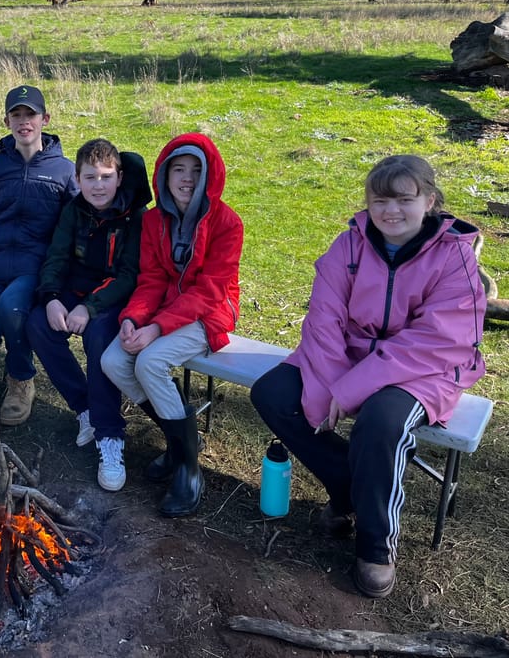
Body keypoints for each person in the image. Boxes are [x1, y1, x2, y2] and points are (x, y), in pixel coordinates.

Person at [250, 154, 486, 599]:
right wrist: (328, 387)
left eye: (404, 199)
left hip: (425, 369)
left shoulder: (454, 257)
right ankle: (346, 484)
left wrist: (351, 388)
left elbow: (436, 341)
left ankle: (376, 545)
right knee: (274, 393)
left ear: (429, 201)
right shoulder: (350, 245)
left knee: (382, 422)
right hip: (351, 355)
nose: (390, 211)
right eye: (380, 200)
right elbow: (323, 319)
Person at [101, 133, 242, 516]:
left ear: (210, 177)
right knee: (113, 361)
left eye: (198, 170)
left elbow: (211, 290)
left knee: (150, 362)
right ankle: (179, 441)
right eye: (178, 169)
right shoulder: (153, 219)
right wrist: (133, 319)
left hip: (210, 313)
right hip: (164, 309)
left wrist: (157, 329)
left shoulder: (227, 222)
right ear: (164, 174)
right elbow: (151, 279)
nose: (187, 178)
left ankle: (188, 469)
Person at [26, 139, 151, 492]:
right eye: (90, 177)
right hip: (74, 287)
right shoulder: (74, 209)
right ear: (78, 179)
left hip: (112, 296)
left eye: (106, 177)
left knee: (99, 338)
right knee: (38, 324)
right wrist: (50, 298)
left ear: (119, 177)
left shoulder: (134, 217)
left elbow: (129, 275)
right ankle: (86, 411)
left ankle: (110, 437)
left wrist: (90, 308)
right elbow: (57, 257)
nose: (99, 186)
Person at [0, 85, 78, 425]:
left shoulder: (64, 170)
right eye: (17, 114)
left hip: (33, 268)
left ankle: (20, 379)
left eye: (31, 114)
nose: (24, 121)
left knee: (12, 309)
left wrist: (59, 269)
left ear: (45, 119)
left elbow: (72, 227)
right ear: (7, 120)